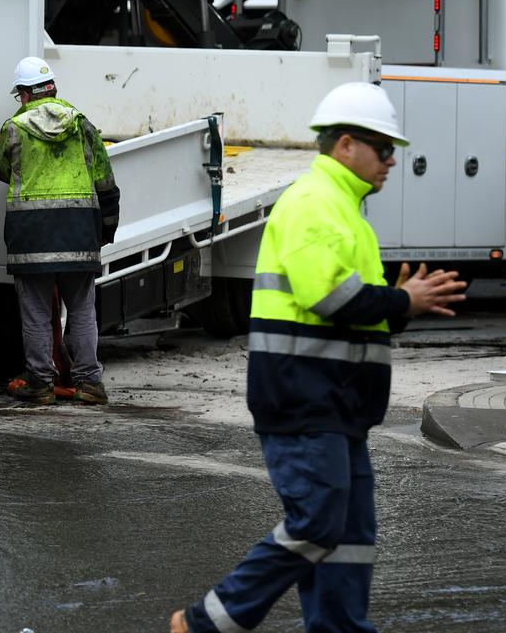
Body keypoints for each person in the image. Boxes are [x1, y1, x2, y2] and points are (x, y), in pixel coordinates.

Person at [169, 82, 468, 633]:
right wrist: (403, 299)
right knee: (318, 524)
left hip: (336, 405)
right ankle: (205, 623)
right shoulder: (314, 202)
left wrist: (401, 307)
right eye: (384, 148)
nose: (392, 160)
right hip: (304, 401)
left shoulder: (346, 212)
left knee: (350, 537)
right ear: (347, 145)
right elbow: (327, 295)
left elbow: (349, 312)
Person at [0, 56, 120, 406]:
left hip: (31, 234)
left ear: (25, 94)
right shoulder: (82, 125)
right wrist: (105, 230)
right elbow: (106, 181)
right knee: (82, 310)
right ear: (53, 89)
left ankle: (41, 383)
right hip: (79, 232)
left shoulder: (13, 129)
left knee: (36, 313)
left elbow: (1, 169)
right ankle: (90, 382)